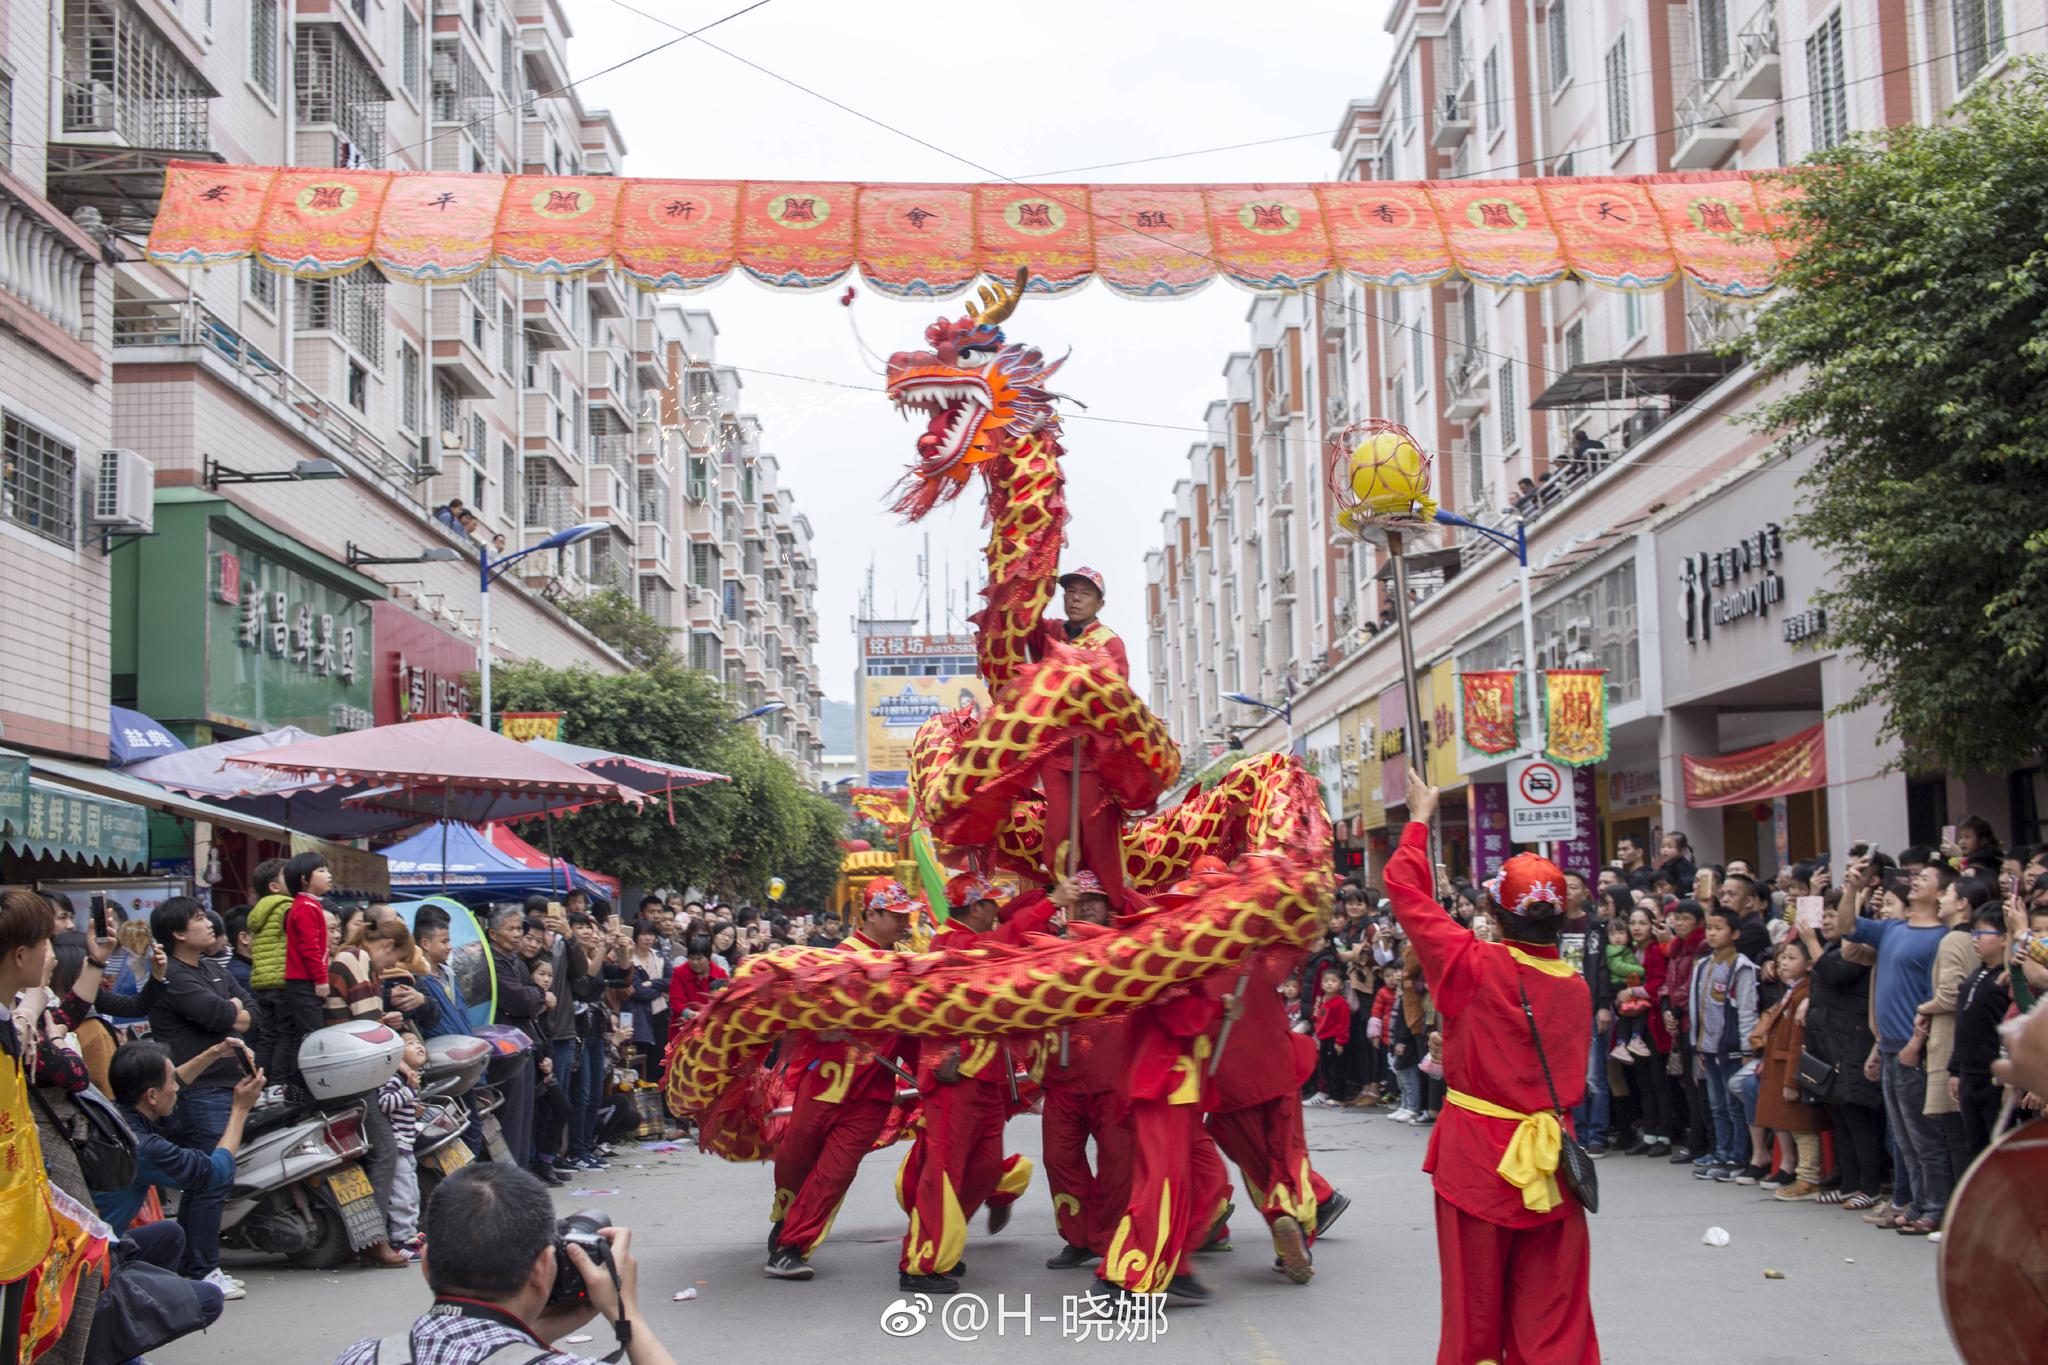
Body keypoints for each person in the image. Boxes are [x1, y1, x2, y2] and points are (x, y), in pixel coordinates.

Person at [1389, 769, 1598, 1363]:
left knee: (1473, 1312)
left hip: (1478, 1158)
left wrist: (1421, 819)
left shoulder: (1472, 965)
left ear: (1494, 914)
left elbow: (1407, 894)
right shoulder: (1577, 989)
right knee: (1554, 1315)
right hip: (1553, 1159)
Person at [333, 1163, 679, 1365]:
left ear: (426, 1264)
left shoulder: (363, 1357)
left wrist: (527, 1334)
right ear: (544, 1267)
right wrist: (626, 1314)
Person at [765, 880, 917, 1282]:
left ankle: (791, 1245)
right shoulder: (836, 959)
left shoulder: (909, 964)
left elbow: (915, 1030)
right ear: (872, 914)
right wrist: (820, 1025)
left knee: (836, 1172)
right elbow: (797, 1010)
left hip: (872, 1092)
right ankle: (785, 1220)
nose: (905, 922)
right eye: (897, 915)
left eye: (906, 914)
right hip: (824, 1083)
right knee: (794, 1162)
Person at [98, 1040, 264, 1300]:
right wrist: (240, 1110)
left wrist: (214, 1052)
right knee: (209, 1300)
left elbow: (172, 1082)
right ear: (152, 1096)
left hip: (90, 1241)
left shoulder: (110, 1113)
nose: (177, 1088)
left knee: (170, 1233)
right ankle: (126, 1305)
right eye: (171, 1082)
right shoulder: (144, 1148)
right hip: (95, 1257)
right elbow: (215, 1173)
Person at [144, 896, 253, 1289]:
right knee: (209, 1180)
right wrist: (232, 1010)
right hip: (197, 1090)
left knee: (210, 1180)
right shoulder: (173, 975)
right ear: (177, 933)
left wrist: (232, 1008)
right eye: (197, 919)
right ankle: (201, 1270)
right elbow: (221, 1016)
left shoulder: (208, 966)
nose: (208, 922)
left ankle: (195, 1266)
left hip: (227, 1082)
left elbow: (248, 1007)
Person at [1849, 861, 1957, 1234]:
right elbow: (1848, 928)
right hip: (1890, 1045)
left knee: (1924, 1135)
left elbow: (1936, 996)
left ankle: (1936, 1206)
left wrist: (1916, 1042)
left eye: (1924, 878)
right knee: (1904, 1137)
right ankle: (1916, 1203)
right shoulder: (1893, 927)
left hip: (1916, 1048)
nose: (1914, 882)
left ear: (1941, 893)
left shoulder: (1941, 937)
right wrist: (1852, 888)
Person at [1028, 566, 1135, 908]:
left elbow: (1115, 695)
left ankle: (1116, 909)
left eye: (1084, 593)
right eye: (1070, 591)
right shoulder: (1050, 633)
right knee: (1058, 833)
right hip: (1055, 752)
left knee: (1097, 837)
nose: (1075, 598)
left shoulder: (1110, 642)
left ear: (1100, 603)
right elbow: (1021, 619)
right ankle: (1064, 908)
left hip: (1092, 757)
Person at [1796, 891, 1885, 1207]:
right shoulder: (1830, 947)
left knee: (1856, 1115)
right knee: (1839, 1116)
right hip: (1828, 1041)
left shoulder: (1857, 947)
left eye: (1835, 914)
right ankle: (1849, 1184)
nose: (1827, 920)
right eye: (1825, 914)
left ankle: (1869, 1187)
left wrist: (1810, 943)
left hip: (1853, 1040)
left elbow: (1836, 972)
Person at [250, 853, 332, 1098]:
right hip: (292, 979)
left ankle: (265, 1085)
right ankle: (284, 1085)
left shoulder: (264, 911)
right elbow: (309, 946)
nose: (328, 875)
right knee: (296, 1034)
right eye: (321, 871)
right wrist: (320, 978)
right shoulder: (299, 907)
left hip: (265, 980)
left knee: (270, 1035)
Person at [1688, 907, 1760, 1182]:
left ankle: (1737, 1156)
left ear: (1736, 933)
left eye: (1719, 928)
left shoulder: (1741, 966)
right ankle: (1721, 1150)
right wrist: (1697, 1045)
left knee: (1733, 1105)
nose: (1713, 933)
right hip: (1708, 1046)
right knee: (1716, 1104)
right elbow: (1697, 1008)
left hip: (1732, 1048)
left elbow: (1746, 1009)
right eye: (1709, 928)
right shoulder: (1703, 965)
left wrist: (1746, 1049)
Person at [1750, 940, 1826, 1200]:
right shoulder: (1792, 991)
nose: (1783, 963)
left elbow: (1797, 1041)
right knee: (1793, 1125)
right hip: (1779, 1067)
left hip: (1789, 1070)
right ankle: (1804, 1175)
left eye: (1792, 958)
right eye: (1781, 957)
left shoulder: (1803, 993)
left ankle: (1808, 1177)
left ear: (1808, 965)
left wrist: (1793, 1081)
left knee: (1802, 1127)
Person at [486, 907, 548, 1176]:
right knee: (510, 1116)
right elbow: (520, 999)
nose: (516, 935)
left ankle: (520, 1175)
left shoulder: (517, 963)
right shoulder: (492, 962)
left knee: (525, 1114)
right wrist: (537, 995)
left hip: (523, 1041)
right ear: (493, 933)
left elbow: (530, 1001)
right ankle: (509, 1180)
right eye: (510, 929)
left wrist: (534, 996)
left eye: (518, 929)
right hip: (504, 1046)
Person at [1950, 902, 2012, 1161]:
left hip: (1993, 1077)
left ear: (2004, 938)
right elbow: (1962, 1026)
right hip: (1969, 1074)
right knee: (1974, 1147)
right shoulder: (1976, 974)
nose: (1975, 940)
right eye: (1973, 933)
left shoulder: (2006, 979)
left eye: (1982, 933)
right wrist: (1954, 1069)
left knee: (1998, 1148)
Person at [378, 1034, 431, 1260]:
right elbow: (385, 1102)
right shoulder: (395, 1078)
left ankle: (410, 1234)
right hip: (398, 1144)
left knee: (411, 1192)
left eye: (419, 1042)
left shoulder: (407, 1080)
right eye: (409, 1043)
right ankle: (400, 1239)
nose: (418, 1045)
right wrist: (409, 1094)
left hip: (407, 1146)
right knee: (401, 1194)